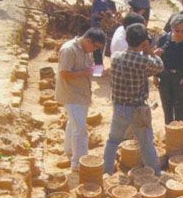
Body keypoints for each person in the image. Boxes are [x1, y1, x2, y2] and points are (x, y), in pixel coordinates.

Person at [104, 23, 164, 175]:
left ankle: (106, 172)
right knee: (146, 144)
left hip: (119, 107)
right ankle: (155, 173)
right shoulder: (144, 61)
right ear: (144, 42)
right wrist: (150, 51)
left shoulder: (116, 57)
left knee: (113, 141)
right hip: (138, 109)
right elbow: (159, 66)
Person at [55, 28, 107, 172]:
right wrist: (85, 72)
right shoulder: (69, 49)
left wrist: (94, 70)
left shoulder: (85, 49)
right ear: (88, 40)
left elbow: (89, 67)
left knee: (73, 124)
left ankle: (69, 151)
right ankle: (79, 163)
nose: (95, 50)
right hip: (71, 94)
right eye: (95, 47)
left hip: (81, 93)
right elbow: (64, 73)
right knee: (81, 129)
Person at [156, 13, 183, 124]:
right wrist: (156, 76)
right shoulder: (163, 40)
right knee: (167, 108)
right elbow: (157, 60)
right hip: (165, 78)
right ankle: (171, 134)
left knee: (182, 110)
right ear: (172, 28)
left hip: (181, 78)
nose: (180, 34)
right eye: (177, 30)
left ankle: (182, 135)